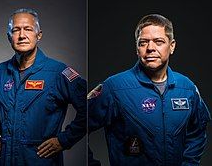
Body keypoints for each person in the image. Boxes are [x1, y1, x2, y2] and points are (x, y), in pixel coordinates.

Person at [88, 14, 211, 166]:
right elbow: (81, 124)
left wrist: (190, 163)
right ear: (137, 48)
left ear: (172, 46)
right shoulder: (115, 88)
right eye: (143, 43)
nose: (150, 48)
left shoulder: (187, 88)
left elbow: (198, 130)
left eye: (159, 42)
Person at [0, 8, 86, 166]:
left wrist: (64, 140)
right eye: (16, 30)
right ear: (9, 37)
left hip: (43, 161)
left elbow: (89, 105)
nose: (22, 35)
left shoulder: (58, 73)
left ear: (39, 35)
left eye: (28, 29)